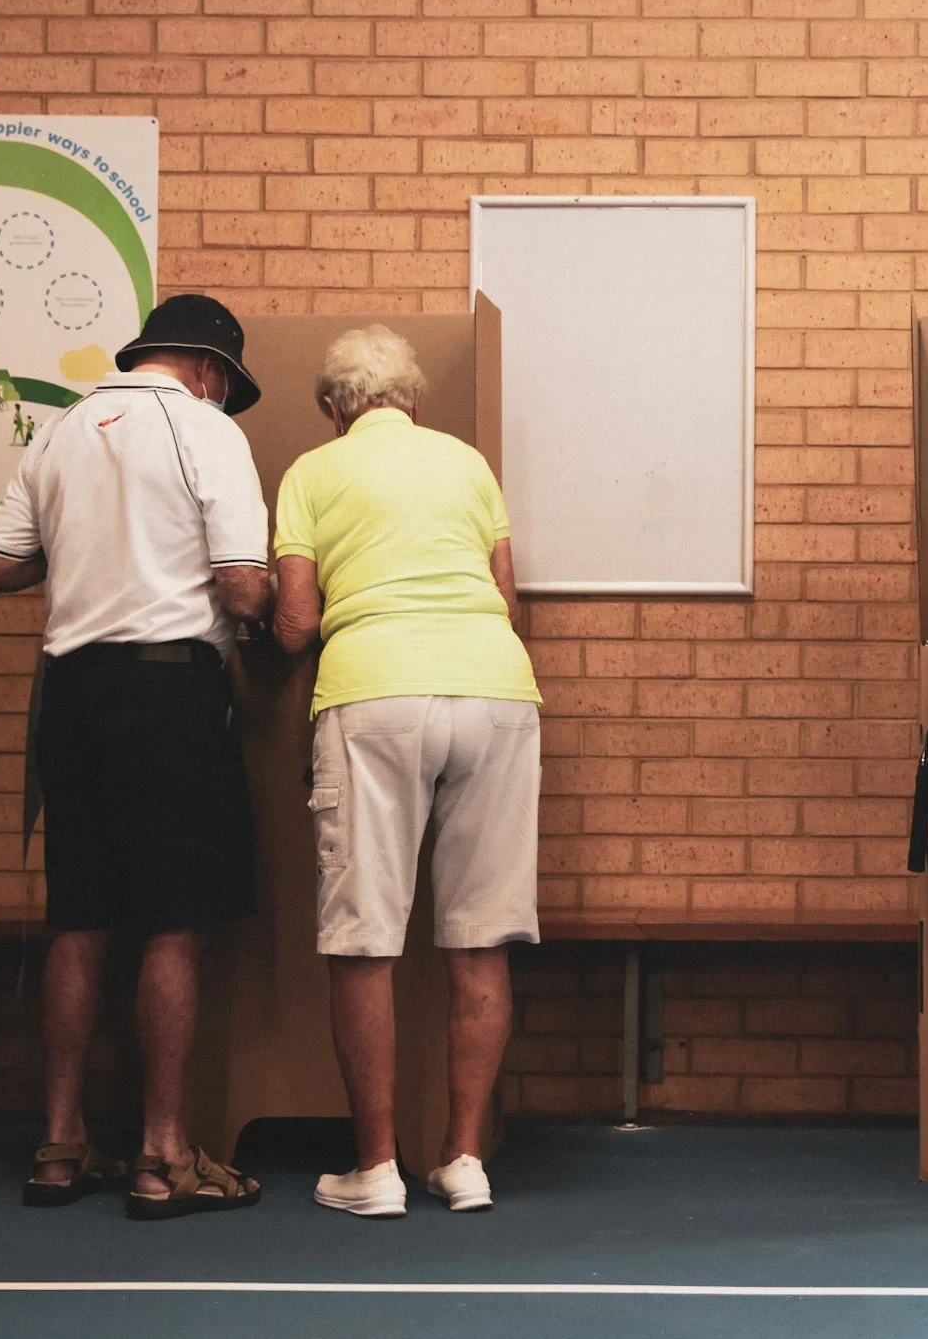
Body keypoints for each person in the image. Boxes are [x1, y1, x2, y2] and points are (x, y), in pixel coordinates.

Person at [0, 292, 271, 1219]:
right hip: (166, 691)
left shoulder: (59, 429)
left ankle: (60, 1146)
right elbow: (242, 587)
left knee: (80, 918)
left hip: (70, 694)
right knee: (173, 922)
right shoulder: (207, 429)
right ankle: (162, 1155)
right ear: (210, 371)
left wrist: (83, 548)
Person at [273, 325, 543, 1218]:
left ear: (331, 408)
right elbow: (507, 600)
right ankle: (464, 1158)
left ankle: (377, 1169)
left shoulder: (312, 472)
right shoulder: (468, 464)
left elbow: (295, 622)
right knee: (479, 935)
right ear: (415, 401)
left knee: (364, 938)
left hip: (374, 696)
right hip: (495, 692)